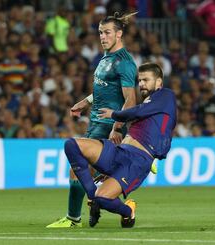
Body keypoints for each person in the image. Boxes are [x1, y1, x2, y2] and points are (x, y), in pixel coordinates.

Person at [46, 12, 138, 228]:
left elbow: (130, 100)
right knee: (84, 170)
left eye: (107, 33)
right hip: (96, 123)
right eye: (100, 33)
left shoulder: (124, 63)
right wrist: (85, 101)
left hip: (108, 126)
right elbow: (105, 89)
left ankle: (76, 217)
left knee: (79, 168)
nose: (102, 37)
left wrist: (117, 127)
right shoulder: (106, 58)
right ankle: (95, 206)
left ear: (119, 34)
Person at [64, 62, 177, 228]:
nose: (142, 84)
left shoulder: (166, 96)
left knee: (103, 199)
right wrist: (86, 101)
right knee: (71, 145)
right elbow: (114, 93)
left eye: (146, 80)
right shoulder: (150, 105)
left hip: (137, 161)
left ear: (159, 82)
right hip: (120, 151)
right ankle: (91, 196)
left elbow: (136, 111)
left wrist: (114, 115)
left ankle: (127, 211)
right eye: (140, 80)